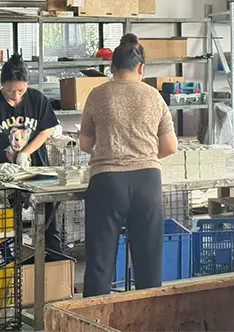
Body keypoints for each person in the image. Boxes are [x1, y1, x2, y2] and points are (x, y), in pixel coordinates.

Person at [79, 34, 178, 297]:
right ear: (141, 68)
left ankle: (93, 317)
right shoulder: (154, 96)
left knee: (100, 263)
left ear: (112, 67)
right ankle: (148, 315)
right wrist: (143, 155)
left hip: (107, 182)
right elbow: (170, 146)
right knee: (148, 263)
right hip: (147, 181)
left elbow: (85, 144)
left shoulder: (98, 94)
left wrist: (111, 149)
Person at [0, 54, 64, 256]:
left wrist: (25, 153)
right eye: (9, 90)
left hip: (36, 173)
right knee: (5, 227)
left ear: (27, 84)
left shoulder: (37, 99)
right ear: (1, 85)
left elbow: (47, 130)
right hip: (3, 178)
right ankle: (10, 265)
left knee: (48, 221)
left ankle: (55, 262)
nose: (15, 95)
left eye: (20, 90)